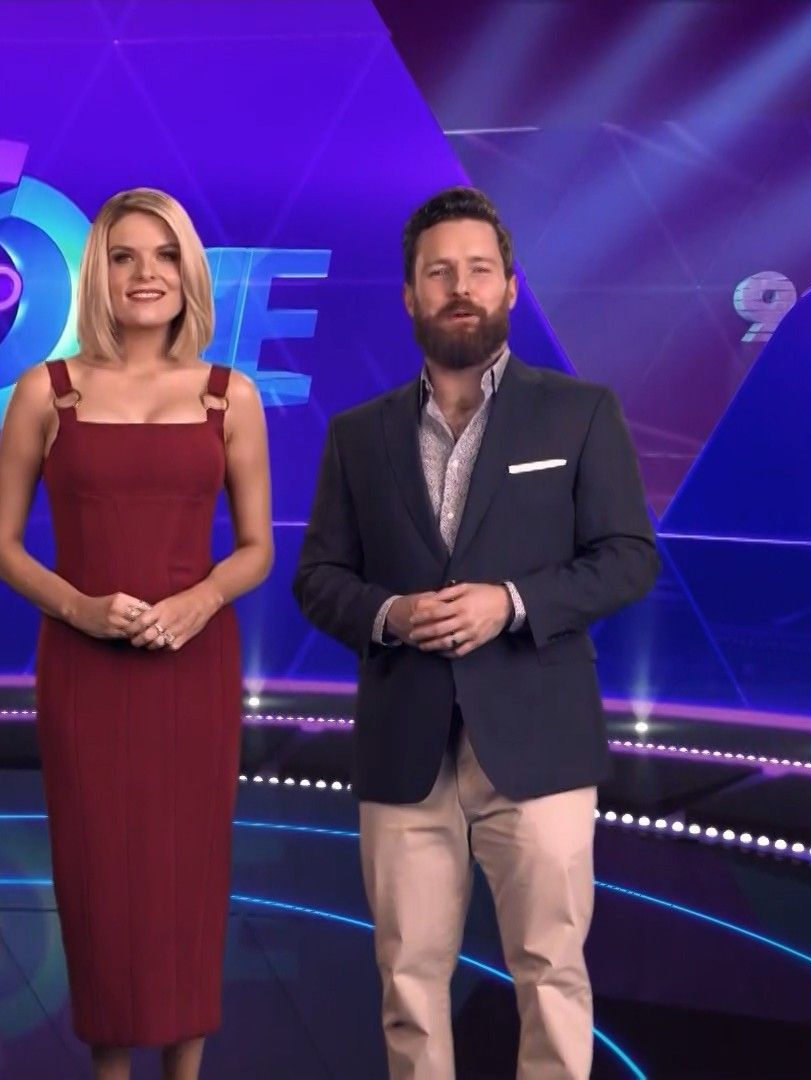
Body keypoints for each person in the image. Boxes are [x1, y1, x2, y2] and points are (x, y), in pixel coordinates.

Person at [292, 187, 657, 1079]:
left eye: (479, 270)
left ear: (511, 287)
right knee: (408, 982)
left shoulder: (579, 413)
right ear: (409, 294)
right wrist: (390, 616)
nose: (461, 288)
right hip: (403, 749)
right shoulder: (357, 435)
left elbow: (628, 559)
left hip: (539, 742)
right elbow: (318, 579)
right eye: (439, 272)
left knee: (551, 975)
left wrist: (511, 602)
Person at [0, 187, 273, 1080]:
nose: (146, 274)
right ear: (97, 275)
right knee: (100, 878)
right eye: (123, 256)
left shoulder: (231, 396)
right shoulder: (46, 392)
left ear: (190, 274)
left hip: (195, 671)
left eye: (164, 254)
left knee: (188, 877)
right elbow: (0, 544)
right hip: (85, 673)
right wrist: (79, 609)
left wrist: (201, 602)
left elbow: (257, 549)